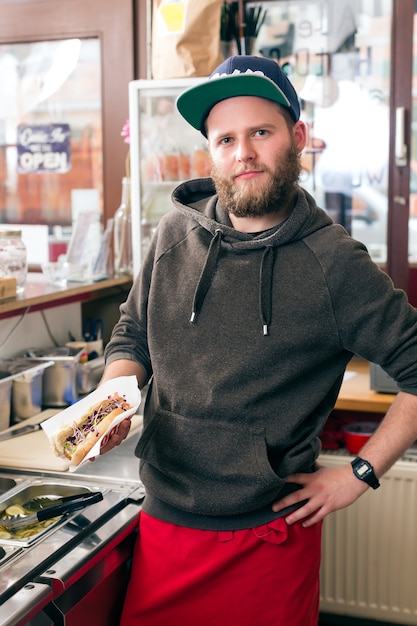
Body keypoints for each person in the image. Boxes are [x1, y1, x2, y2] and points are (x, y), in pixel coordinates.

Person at [100, 55, 417, 626]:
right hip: (165, 525)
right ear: (211, 153)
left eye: (261, 133)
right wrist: (110, 402)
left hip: (267, 540)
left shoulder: (333, 262)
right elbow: (133, 333)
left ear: (297, 137)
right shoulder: (174, 234)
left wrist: (361, 473)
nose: (242, 152)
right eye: (225, 139)